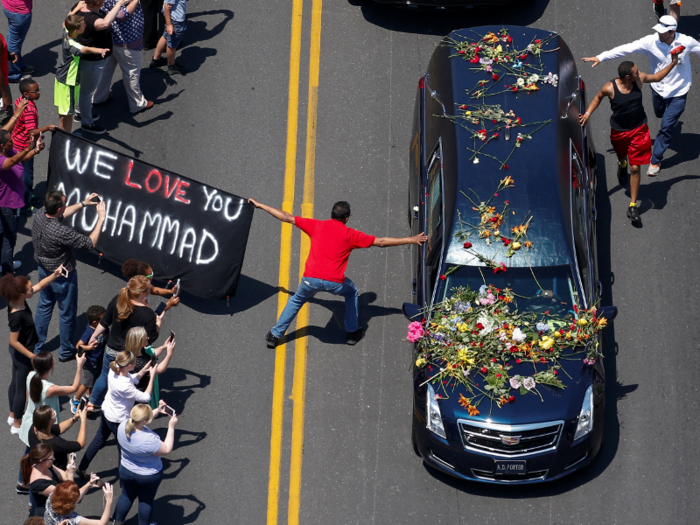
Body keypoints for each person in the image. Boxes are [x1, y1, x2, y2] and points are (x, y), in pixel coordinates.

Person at [248, 199, 428, 346]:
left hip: (310, 280)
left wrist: (261, 205)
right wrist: (411, 239)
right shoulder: (351, 235)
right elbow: (380, 241)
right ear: (347, 218)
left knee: (297, 299)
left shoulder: (316, 225)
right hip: (334, 282)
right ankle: (351, 333)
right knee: (352, 292)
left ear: (331, 214)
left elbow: (286, 217)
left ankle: (274, 335)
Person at [583, 16, 700, 177]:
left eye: (663, 32)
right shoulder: (650, 42)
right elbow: (626, 48)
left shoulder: (687, 41)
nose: (659, 34)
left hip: (679, 92)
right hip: (658, 89)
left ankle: (656, 160)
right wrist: (601, 57)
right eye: (658, 30)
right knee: (659, 114)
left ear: (673, 31)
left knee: (666, 126)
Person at [580, 54, 679, 223]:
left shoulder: (639, 80)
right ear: (627, 77)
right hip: (619, 131)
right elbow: (597, 98)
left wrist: (674, 63)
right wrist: (587, 113)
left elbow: (657, 76)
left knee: (635, 168)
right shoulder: (610, 88)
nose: (639, 72)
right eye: (635, 71)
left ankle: (632, 205)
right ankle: (621, 163)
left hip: (639, 130)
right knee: (621, 155)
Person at [32, 190, 106, 361]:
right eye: (64, 204)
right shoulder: (60, 231)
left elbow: (62, 213)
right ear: (58, 209)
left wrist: (83, 204)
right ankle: (65, 351)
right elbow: (90, 243)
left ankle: (36, 346)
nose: (65, 207)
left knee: (44, 306)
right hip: (63, 275)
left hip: (44, 270)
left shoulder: (40, 215)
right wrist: (101, 217)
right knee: (67, 314)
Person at [85, 275, 176, 411]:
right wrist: (159, 321)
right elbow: (150, 339)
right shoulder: (148, 314)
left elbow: (104, 323)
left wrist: (93, 336)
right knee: (129, 378)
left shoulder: (118, 300)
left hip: (111, 348)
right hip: (130, 353)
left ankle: (92, 402)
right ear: (143, 294)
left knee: (105, 375)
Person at [0, 268, 65, 437]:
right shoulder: (17, 315)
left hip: (19, 352)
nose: (33, 289)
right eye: (29, 289)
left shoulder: (17, 299)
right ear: (21, 294)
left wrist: (54, 275)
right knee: (21, 385)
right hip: (23, 352)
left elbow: (39, 286)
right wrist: (32, 356)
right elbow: (13, 341)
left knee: (15, 382)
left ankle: (13, 414)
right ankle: (17, 423)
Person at [77, 350, 155, 478]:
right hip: (118, 420)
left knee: (98, 440)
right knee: (123, 450)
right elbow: (145, 397)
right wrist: (152, 376)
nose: (137, 364)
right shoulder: (124, 386)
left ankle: (82, 468)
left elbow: (132, 379)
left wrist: (144, 370)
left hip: (107, 411)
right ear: (129, 366)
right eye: (135, 362)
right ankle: (123, 480)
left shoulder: (114, 371)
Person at [113, 403, 177, 525]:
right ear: (145, 421)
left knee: (126, 495)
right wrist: (171, 427)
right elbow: (167, 449)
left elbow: (140, 420)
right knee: (145, 501)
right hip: (148, 476)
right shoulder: (149, 440)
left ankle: (117, 521)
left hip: (126, 470)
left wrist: (157, 410)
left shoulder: (122, 425)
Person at [74, 0, 129, 134]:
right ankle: (87, 123)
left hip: (84, 57)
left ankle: (80, 112)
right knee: (87, 92)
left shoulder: (80, 6)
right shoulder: (92, 18)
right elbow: (104, 24)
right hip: (93, 60)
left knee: (83, 89)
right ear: (98, 3)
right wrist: (119, 4)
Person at [94, 0, 154, 114]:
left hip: (111, 38)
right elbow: (122, 15)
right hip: (127, 42)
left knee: (106, 70)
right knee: (132, 73)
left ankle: (98, 97)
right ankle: (137, 104)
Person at [54, 11, 111, 133]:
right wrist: (100, 50)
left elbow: (64, 23)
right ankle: (66, 138)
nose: (85, 26)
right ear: (76, 31)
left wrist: (78, 7)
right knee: (68, 114)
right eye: (83, 26)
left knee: (64, 111)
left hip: (61, 78)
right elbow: (85, 49)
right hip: (68, 83)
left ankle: (63, 136)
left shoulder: (66, 32)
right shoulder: (73, 45)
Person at [0, 126, 43, 272]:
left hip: (9, 204)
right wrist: (27, 149)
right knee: (8, 239)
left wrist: (34, 149)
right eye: (10, 141)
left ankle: (3, 264)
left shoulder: (8, 151)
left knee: (3, 235)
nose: (13, 143)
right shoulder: (2, 160)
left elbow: (22, 158)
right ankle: (7, 271)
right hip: (7, 206)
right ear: (2, 145)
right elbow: (11, 162)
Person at [12, 78, 57, 215]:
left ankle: (26, 194)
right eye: (35, 91)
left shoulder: (20, 101)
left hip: (16, 142)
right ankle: (26, 204)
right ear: (26, 94)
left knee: (20, 174)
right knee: (27, 176)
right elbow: (32, 131)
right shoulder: (30, 109)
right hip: (25, 146)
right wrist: (47, 128)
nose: (39, 92)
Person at [21, 444, 102, 517]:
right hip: (47, 516)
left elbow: (64, 476)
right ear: (41, 461)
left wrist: (70, 464)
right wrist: (86, 482)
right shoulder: (39, 484)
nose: (54, 459)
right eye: (51, 458)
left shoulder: (46, 466)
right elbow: (72, 497)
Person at [126, 326, 176, 409]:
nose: (148, 338)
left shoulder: (132, 350)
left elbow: (152, 353)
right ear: (140, 342)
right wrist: (169, 354)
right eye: (146, 338)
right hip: (142, 390)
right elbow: (159, 369)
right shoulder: (140, 363)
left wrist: (164, 346)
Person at [69, 305, 106, 413]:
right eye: (103, 319)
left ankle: (89, 396)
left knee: (94, 379)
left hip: (98, 359)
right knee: (87, 383)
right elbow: (78, 346)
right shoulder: (89, 332)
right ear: (95, 322)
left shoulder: (103, 327)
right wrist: (88, 347)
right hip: (90, 362)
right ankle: (75, 399)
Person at [28, 404, 88, 470]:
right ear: (48, 422)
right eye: (53, 415)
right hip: (57, 473)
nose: (55, 413)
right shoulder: (55, 443)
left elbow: (59, 428)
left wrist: (74, 418)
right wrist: (83, 420)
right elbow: (80, 444)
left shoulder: (35, 427)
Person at [45, 480, 114, 525]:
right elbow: (101, 523)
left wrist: (88, 484)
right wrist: (109, 501)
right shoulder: (71, 519)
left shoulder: (52, 497)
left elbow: (73, 498)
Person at [149, 0, 187, 75]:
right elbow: (167, 6)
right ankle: (171, 66)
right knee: (172, 44)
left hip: (174, 19)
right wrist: (169, 24)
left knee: (165, 36)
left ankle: (156, 60)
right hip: (176, 21)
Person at [1, 0, 34, 83]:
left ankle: (17, 65)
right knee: (14, 42)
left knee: (13, 39)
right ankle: (12, 73)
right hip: (19, 11)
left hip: (9, 5)